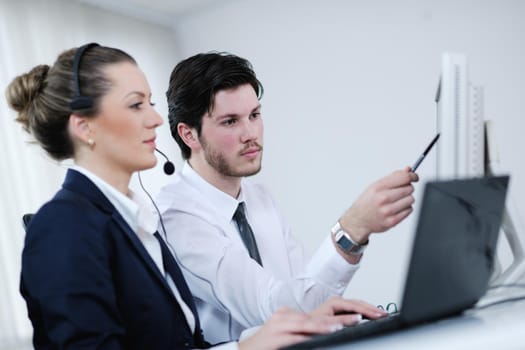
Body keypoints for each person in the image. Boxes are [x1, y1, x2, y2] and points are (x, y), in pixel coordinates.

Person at [6, 43, 385, 350]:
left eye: (150, 103)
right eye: (137, 104)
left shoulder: (137, 223)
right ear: (85, 127)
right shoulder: (64, 226)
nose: (156, 119)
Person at [156, 52, 419, 343]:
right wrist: (352, 229)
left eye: (254, 115)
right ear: (189, 134)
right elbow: (275, 314)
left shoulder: (259, 197)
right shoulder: (176, 217)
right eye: (230, 122)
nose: (250, 134)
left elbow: (307, 296)